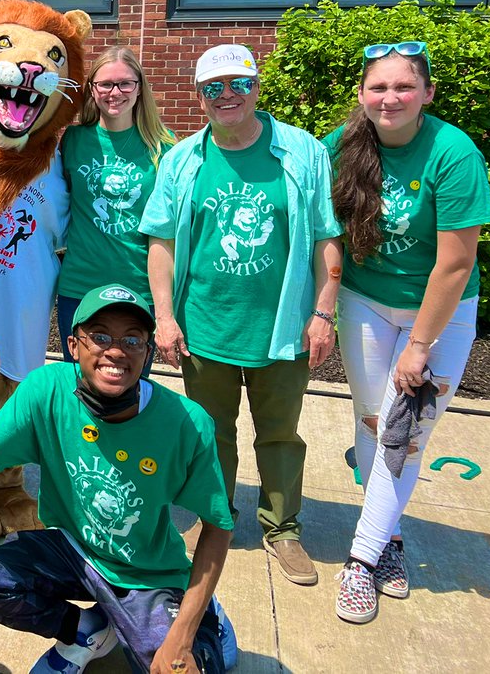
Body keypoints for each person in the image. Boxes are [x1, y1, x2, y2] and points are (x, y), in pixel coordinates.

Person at [0, 284, 233, 674]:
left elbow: (218, 525)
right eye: (99, 336)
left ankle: (202, 614)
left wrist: (182, 635)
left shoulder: (188, 422)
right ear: (73, 345)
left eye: (132, 339)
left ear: (147, 353)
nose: (116, 350)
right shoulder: (45, 390)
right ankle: (87, 630)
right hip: (73, 550)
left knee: (183, 668)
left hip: (146, 571)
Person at [140, 44, 342, 586]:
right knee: (211, 432)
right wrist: (164, 316)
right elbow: (160, 243)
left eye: (238, 84)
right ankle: (215, 517)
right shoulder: (183, 159)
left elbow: (326, 236)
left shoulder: (302, 153)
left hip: (281, 328)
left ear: (256, 87)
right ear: (199, 95)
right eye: (213, 87)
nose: (227, 96)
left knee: (280, 433)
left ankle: (283, 527)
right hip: (206, 325)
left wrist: (324, 313)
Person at [325, 41, 490, 624]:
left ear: (427, 93)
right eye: (378, 87)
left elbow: (455, 263)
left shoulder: (452, 152)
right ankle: (390, 538)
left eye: (403, 87)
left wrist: (420, 344)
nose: (390, 97)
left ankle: (361, 560)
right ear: (362, 95)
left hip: (439, 313)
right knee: (375, 422)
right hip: (365, 301)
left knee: (407, 434)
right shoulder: (344, 147)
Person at [57, 47, 176, 358]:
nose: (115, 92)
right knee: (80, 384)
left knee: (131, 385)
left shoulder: (163, 146)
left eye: (125, 83)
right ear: (92, 90)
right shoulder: (73, 140)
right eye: (105, 84)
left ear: (139, 88)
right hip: (80, 284)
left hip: (140, 288)